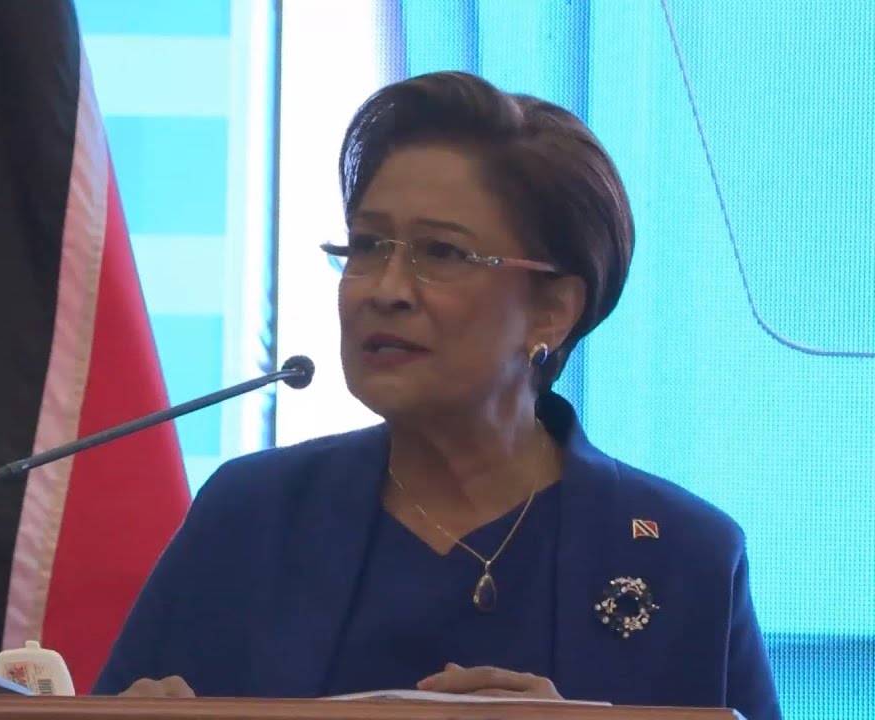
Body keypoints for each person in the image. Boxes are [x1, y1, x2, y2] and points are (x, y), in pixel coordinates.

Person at [91, 70, 782, 719]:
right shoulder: (250, 517)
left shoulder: (684, 556)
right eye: (368, 246)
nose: (385, 290)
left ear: (552, 310)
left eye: (441, 253)